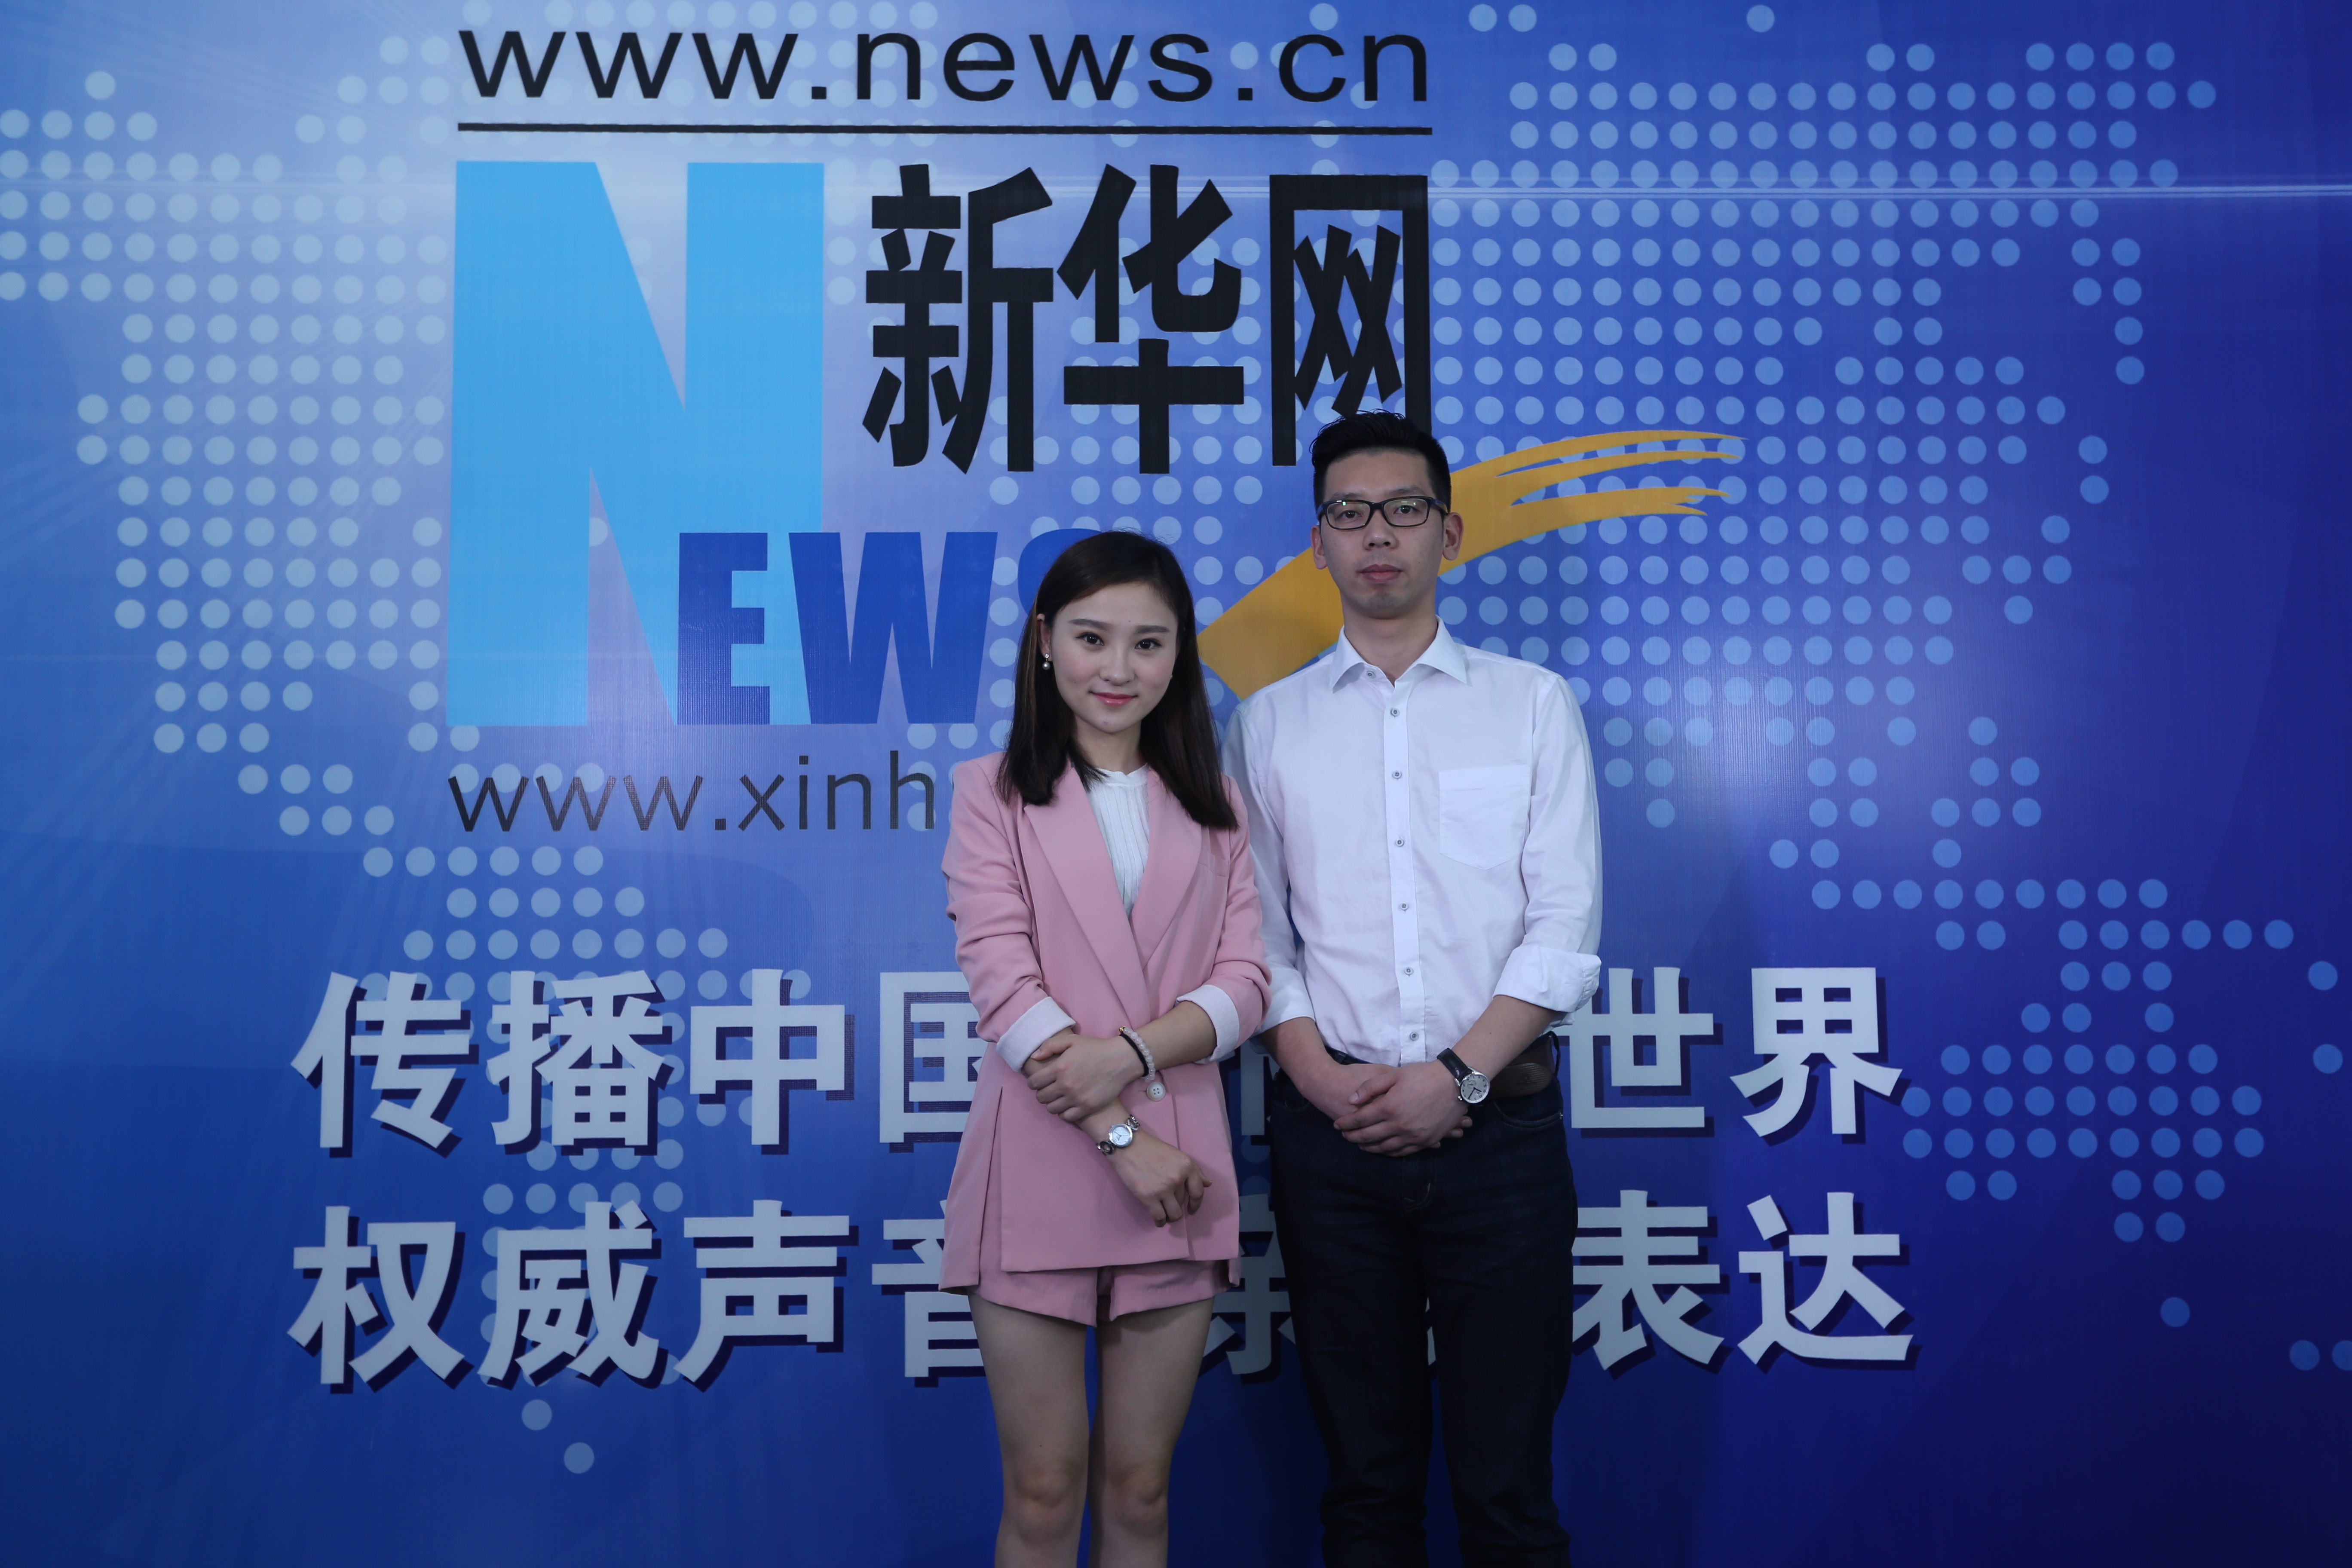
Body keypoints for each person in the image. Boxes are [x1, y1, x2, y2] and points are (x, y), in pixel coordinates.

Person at [1225, 410, 1603, 1567]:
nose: (1376, 534)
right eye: (1349, 513)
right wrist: (1318, 1080)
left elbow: (1564, 926)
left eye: (1402, 510)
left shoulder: (1531, 703)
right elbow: (1255, 936)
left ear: (1451, 532)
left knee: (1510, 1498)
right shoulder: (1267, 723)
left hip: (1501, 1140)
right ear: (1318, 541)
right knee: (1367, 1495)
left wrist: (1457, 1079)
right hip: (1330, 1143)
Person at [940, 528, 1271, 1568]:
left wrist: (1125, 1053)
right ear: (1045, 642)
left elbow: (1247, 983)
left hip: (1181, 1171)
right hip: (1048, 1155)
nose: (1118, 668)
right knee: (1044, 1492)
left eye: (1148, 643)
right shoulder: (989, 792)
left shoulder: (1219, 808)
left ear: (1179, 655)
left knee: (1140, 1487)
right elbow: (1004, 984)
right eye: (1092, 638)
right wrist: (1123, 1134)